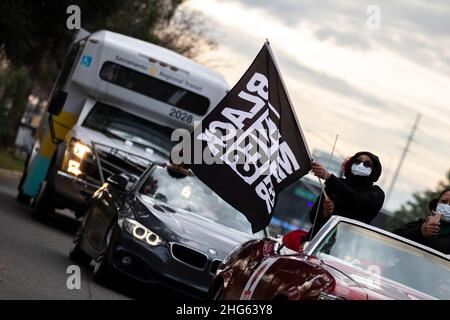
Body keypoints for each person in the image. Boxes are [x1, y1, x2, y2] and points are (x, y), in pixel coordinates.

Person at [305, 151, 385, 241]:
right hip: (316, 241)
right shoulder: (334, 185)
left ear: (374, 170)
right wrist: (325, 213)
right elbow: (313, 217)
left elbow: (359, 200)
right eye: (357, 161)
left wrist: (329, 177)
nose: (361, 165)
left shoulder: (376, 193)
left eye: (367, 164)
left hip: (344, 248)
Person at [394, 188, 450, 254]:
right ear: (437, 203)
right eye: (443, 201)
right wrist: (421, 231)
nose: (447, 207)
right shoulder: (420, 225)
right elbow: (393, 238)